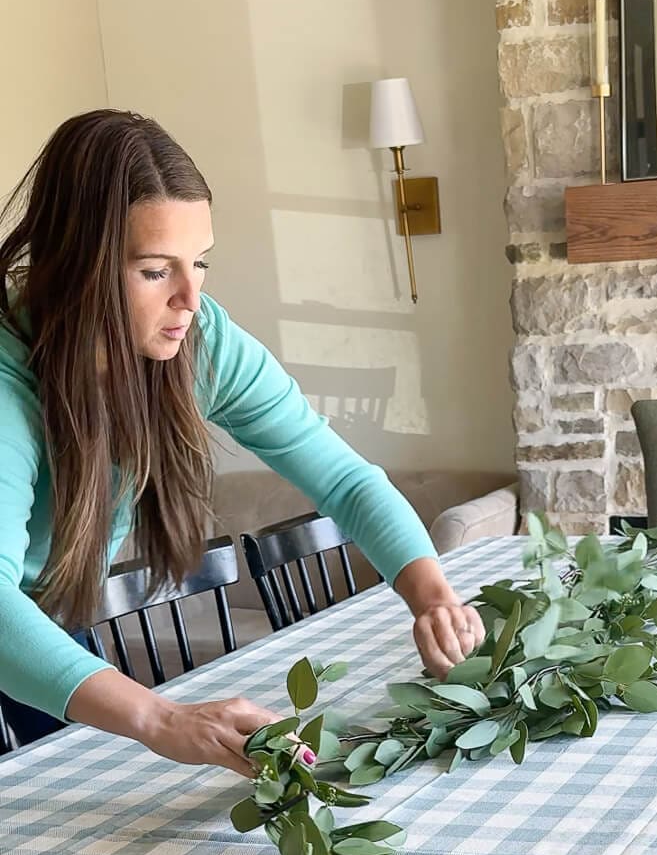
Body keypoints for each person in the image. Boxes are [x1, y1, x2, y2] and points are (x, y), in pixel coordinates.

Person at [0, 109, 485, 776]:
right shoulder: (8, 373)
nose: (190, 298)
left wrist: (432, 596)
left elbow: (345, 481)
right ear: (76, 265)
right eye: (154, 270)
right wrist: (161, 719)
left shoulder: (202, 344)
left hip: (40, 627)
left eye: (199, 262)